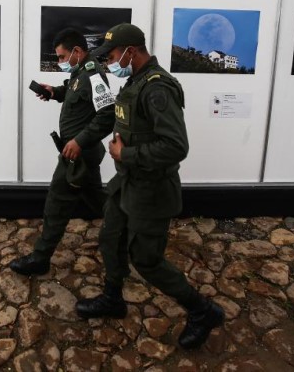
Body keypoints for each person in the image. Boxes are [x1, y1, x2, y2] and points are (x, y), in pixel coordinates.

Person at [75, 23, 224, 350]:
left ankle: (203, 311)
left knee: (146, 260)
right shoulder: (135, 82)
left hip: (151, 189)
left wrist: (124, 152)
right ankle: (113, 298)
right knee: (110, 238)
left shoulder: (158, 88)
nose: (110, 63)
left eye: (113, 56)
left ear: (132, 51)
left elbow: (176, 146)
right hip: (126, 182)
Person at [9, 28, 116, 276]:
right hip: (81, 153)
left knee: (57, 203)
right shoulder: (81, 72)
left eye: (61, 56)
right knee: (98, 200)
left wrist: (79, 141)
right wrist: (53, 92)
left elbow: (107, 115)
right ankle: (128, 229)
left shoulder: (94, 75)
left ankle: (40, 258)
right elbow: (73, 91)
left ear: (77, 51)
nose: (59, 62)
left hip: (78, 154)